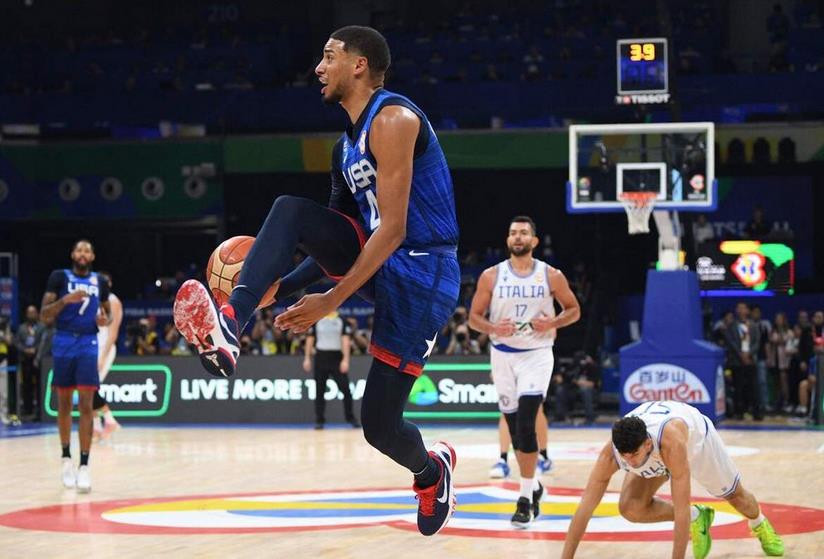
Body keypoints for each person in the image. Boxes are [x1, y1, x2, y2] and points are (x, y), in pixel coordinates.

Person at [173, 26, 459, 536]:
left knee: (380, 427)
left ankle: (431, 472)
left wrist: (331, 300)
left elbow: (392, 229)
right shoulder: (343, 151)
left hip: (423, 271)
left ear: (359, 65)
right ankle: (232, 322)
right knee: (291, 211)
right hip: (378, 262)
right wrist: (278, 289)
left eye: (329, 57)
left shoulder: (395, 119)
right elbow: (332, 241)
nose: (318, 69)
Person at [561, 401, 784, 559]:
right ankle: (699, 517)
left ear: (647, 444)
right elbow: (584, 510)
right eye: (625, 456)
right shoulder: (612, 454)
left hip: (698, 443)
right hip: (655, 451)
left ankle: (759, 523)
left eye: (634, 455)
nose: (630, 462)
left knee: (737, 498)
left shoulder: (671, 443)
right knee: (630, 508)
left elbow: (680, 507)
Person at [468, 215, 581, 528]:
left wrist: (553, 322)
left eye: (523, 233)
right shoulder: (491, 276)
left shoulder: (551, 275)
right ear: (508, 240)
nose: (517, 237)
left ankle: (523, 499)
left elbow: (574, 310)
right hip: (502, 355)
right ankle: (535, 487)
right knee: (516, 428)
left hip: (537, 355)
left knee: (528, 420)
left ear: (534, 240)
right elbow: (474, 318)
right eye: (513, 232)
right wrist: (493, 328)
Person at [40, 240, 111, 492]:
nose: (82, 253)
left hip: (88, 343)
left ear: (92, 256)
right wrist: (65, 301)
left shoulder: (99, 281)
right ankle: (65, 459)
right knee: (64, 404)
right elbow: (44, 315)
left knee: (86, 405)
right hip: (63, 341)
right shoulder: (59, 277)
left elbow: (108, 315)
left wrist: (104, 319)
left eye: (87, 250)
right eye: (79, 250)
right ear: (72, 254)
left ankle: (84, 466)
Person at [303, 311, 360, 429]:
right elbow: (310, 339)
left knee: (346, 390)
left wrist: (345, 360)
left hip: (336, 358)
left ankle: (350, 418)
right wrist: (307, 358)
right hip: (321, 357)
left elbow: (345, 340)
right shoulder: (317, 318)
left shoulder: (341, 320)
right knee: (319, 390)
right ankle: (319, 420)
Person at [92, 271, 122, 441]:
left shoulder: (113, 301)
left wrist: (103, 357)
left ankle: (109, 420)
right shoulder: (94, 300)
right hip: (92, 347)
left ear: (109, 284)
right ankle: (96, 428)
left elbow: (113, 333)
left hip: (105, 348)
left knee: (90, 387)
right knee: (87, 388)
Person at [723, 302, 763, 420]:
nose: (741, 310)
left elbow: (757, 342)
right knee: (738, 387)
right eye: (739, 308)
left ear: (747, 310)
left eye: (743, 308)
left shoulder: (753, 325)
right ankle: (739, 412)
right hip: (737, 361)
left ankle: (756, 412)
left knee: (753, 387)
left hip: (751, 360)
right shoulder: (731, 326)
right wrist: (740, 354)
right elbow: (730, 342)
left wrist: (749, 354)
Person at [14, 305, 44, 421]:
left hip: (39, 360)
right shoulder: (22, 328)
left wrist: (35, 349)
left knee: (40, 385)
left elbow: (44, 342)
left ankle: (40, 411)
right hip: (25, 361)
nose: (31, 315)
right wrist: (25, 350)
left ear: (37, 314)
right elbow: (17, 342)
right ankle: (27, 410)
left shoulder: (41, 327)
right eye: (29, 313)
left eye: (33, 312)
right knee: (27, 386)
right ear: (26, 314)